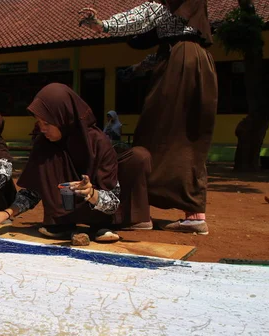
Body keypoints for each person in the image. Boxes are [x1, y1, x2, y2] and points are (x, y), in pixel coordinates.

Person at [80, 0, 217, 235]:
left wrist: (103, 25)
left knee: (152, 136)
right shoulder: (189, 31)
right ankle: (194, 215)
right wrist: (138, 68)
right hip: (196, 64)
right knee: (190, 139)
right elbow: (169, 46)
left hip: (181, 65)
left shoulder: (172, 4)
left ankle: (138, 213)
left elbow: (145, 15)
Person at [0, 83, 124, 242]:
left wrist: (91, 194)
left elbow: (113, 202)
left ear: (64, 118)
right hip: (59, 220)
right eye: (39, 123)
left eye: (47, 124)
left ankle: (97, 226)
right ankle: (64, 225)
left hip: (99, 214)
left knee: (101, 223)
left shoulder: (98, 143)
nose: (42, 129)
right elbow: (33, 191)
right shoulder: (44, 145)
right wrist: (6, 213)